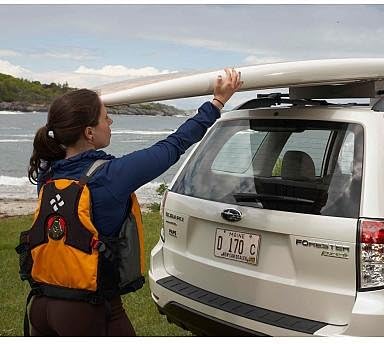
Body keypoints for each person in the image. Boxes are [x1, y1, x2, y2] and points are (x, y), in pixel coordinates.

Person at [24, 68, 242, 336]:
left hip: (40, 304)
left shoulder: (48, 175)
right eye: (106, 117)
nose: (111, 122)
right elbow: (173, 146)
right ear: (89, 133)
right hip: (84, 311)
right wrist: (217, 102)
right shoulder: (109, 177)